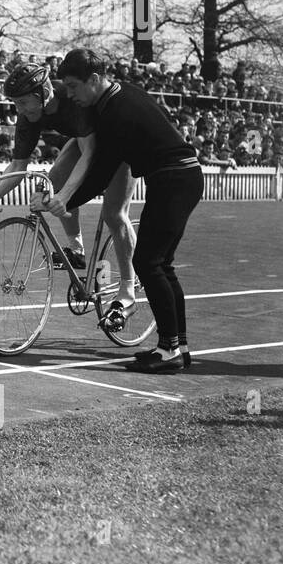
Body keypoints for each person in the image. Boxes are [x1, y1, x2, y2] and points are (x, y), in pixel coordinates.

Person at [57, 48, 203, 374]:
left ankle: (169, 350)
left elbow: (102, 171)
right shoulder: (118, 97)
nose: (69, 94)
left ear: (93, 80)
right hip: (181, 175)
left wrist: (66, 200)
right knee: (160, 264)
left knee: (149, 262)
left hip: (174, 178)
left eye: (72, 86)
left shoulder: (115, 112)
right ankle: (178, 345)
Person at [0, 61, 138, 318]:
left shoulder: (72, 101)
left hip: (118, 145)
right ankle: (76, 251)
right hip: (84, 141)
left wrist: (66, 196)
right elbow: (18, 164)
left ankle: (128, 290)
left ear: (43, 94)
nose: (18, 109)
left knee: (113, 214)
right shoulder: (30, 115)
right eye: (16, 104)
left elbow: (89, 156)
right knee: (48, 190)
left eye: (22, 103)